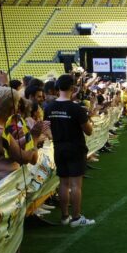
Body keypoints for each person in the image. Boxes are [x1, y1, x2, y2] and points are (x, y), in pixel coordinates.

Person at [44, 74, 94, 227]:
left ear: (57, 88)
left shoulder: (48, 107)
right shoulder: (76, 108)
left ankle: (65, 217)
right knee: (75, 185)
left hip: (59, 147)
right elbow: (89, 131)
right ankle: (76, 217)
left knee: (63, 184)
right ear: (72, 88)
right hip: (75, 148)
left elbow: (46, 128)